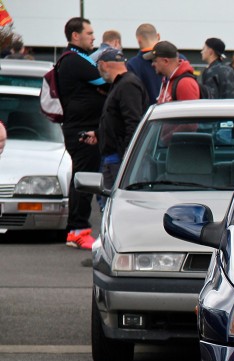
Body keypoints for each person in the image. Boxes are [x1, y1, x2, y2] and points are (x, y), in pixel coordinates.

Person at [57, 17, 108, 250]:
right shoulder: (75, 61)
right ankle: (78, 230)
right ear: (75, 36)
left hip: (81, 127)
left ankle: (77, 229)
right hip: (82, 130)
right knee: (84, 180)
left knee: (83, 178)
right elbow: (106, 81)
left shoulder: (78, 59)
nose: (93, 37)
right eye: (89, 33)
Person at [80, 49, 148, 190]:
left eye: (98, 66)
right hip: (114, 158)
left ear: (103, 65)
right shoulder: (120, 84)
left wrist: (128, 157)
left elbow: (133, 122)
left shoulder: (127, 85)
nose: (98, 70)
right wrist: (99, 134)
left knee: (114, 201)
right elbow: (117, 121)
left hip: (119, 160)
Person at [126, 23, 162, 104]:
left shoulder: (132, 65)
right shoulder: (176, 59)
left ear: (139, 40)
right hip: (172, 112)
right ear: (158, 36)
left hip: (146, 114)